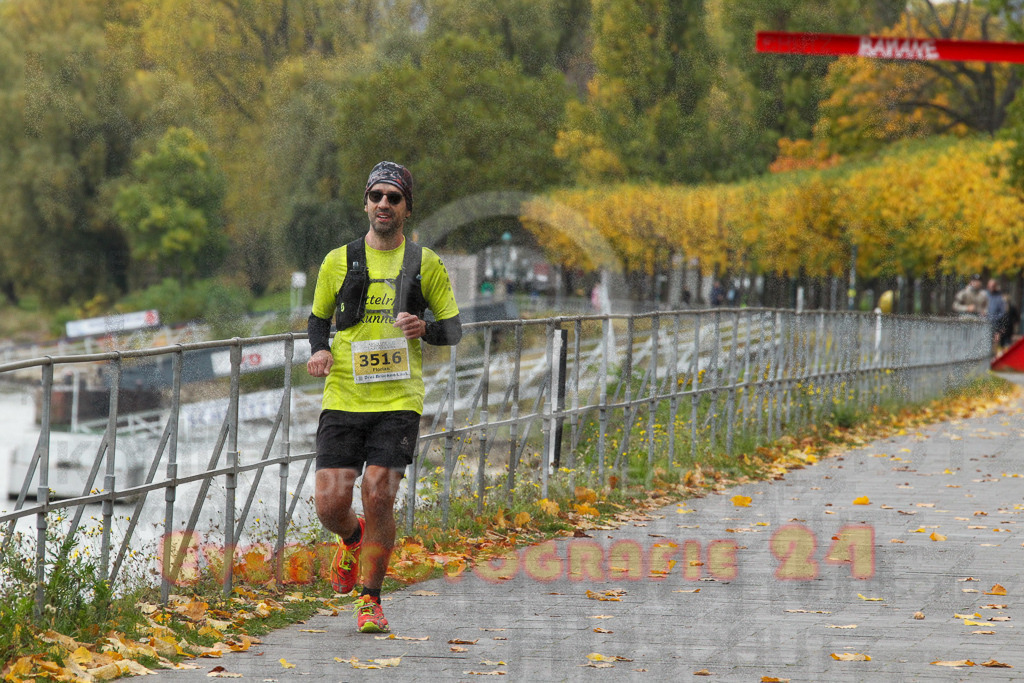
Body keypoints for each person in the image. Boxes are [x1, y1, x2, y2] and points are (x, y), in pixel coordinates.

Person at [306, 161, 462, 633]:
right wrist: (318, 349)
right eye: (377, 196)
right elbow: (317, 319)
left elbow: (453, 329)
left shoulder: (425, 263)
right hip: (345, 396)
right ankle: (353, 541)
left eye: (394, 198)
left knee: (378, 494)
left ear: (407, 209)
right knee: (330, 504)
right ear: (366, 203)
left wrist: (425, 328)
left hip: (398, 400)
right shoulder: (338, 260)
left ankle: (370, 599)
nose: (384, 205)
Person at [987, 279, 1008, 354]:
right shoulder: (985, 295)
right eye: (990, 285)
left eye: (993, 285)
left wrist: (994, 318)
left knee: (995, 344)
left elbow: (1003, 312)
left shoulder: (1000, 298)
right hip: (984, 323)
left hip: (996, 325)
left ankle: (993, 359)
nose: (991, 287)